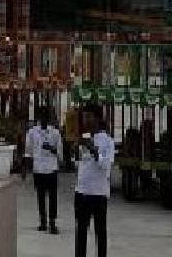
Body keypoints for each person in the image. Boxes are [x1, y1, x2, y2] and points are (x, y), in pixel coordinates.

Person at [74, 103, 113, 257]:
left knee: (100, 232)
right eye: (84, 117)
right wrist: (76, 155)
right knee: (81, 232)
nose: (85, 120)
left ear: (97, 118)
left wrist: (93, 149)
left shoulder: (107, 141)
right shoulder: (84, 138)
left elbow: (106, 166)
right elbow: (80, 164)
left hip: (99, 193)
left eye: (88, 116)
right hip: (82, 191)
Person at [24, 106, 62, 234]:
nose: (45, 119)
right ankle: (43, 222)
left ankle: (52, 223)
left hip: (51, 168)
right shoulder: (32, 132)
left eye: (47, 116)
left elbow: (60, 154)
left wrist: (51, 148)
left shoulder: (55, 133)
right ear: (39, 118)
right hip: (38, 168)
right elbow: (28, 151)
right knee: (40, 196)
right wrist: (25, 168)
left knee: (53, 197)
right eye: (42, 117)